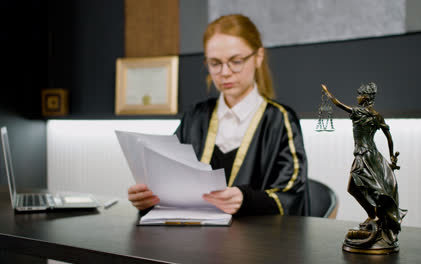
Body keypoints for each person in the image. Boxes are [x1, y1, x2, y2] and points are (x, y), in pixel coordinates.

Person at [128, 14, 310, 216]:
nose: (225, 72)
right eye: (215, 63)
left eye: (236, 61)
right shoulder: (195, 117)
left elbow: (292, 194)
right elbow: (169, 180)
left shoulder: (280, 120)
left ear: (258, 57)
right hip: (195, 239)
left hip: (257, 242)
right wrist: (150, 198)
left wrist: (246, 199)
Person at [322, 83, 406, 248]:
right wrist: (391, 155)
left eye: (359, 94)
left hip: (366, 156)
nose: (357, 97)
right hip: (365, 154)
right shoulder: (375, 115)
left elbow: (338, 104)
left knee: (362, 187)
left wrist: (328, 93)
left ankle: (378, 217)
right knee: (355, 188)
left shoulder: (360, 112)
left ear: (366, 97)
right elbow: (389, 137)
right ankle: (373, 215)